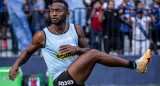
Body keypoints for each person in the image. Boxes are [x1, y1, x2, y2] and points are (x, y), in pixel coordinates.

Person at [9, 1, 152, 86]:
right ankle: (136, 65)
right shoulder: (42, 35)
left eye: (58, 11)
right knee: (95, 54)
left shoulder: (76, 29)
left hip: (76, 77)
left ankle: (137, 66)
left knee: (93, 53)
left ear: (67, 14)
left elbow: (87, 50)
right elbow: (27, 52)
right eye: (51, 10)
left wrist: (77, 50)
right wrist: (15, 65)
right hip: (61, 80)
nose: (53, 13)